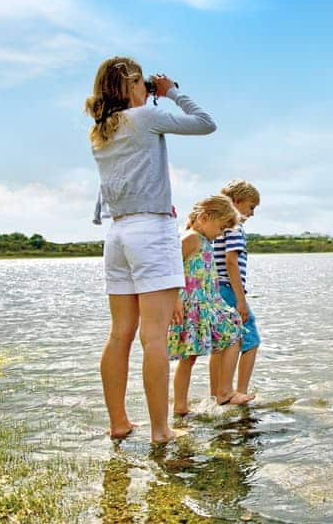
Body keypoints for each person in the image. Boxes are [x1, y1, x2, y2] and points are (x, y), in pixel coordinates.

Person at [85, 56, 216, 443]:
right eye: (141, 82)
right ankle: (161, 430)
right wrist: (172, 91)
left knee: (119, 334)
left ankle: (119, 423)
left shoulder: (102, 130)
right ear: (127, 87)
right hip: (151, 229)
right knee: (154, 336)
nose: (147, 88)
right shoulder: (143, 119)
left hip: (118, 234)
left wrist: (151, 96)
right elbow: (206, 123)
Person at [169, 195, 255, 411]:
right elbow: (170, 265)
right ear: (205, 217)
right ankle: (213, 395)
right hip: (191, 304)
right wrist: (174, 298)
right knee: (190, 356)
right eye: (220, 228)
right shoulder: (191, 238)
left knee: (231, 332)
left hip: (207, 304)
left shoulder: (205, 241)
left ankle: (187, 405)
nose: (220, 234)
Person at [213, 180, 261, 396]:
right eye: (251, 207)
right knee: (251, 340)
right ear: (237, 202)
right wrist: (240, 300)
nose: (252, 214)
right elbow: (231, 261)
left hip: (217, 289)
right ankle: (239, 392)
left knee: (221, 345)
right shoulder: (234, 227)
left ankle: (217, 393)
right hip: (230, 289)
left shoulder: (218, 229)